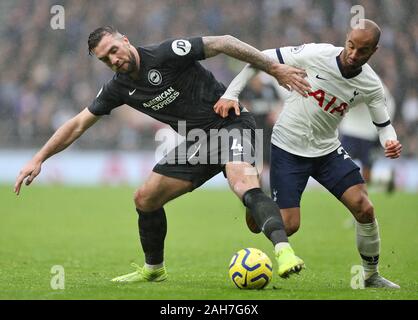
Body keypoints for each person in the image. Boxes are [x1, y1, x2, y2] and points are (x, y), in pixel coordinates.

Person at [14, 26, 311, 282]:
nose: (114, 59)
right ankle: (154, 269)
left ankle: (284, 253)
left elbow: (224, 41)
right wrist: (39, 158)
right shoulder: (119, 88)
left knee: (243, 185)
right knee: (145, 198)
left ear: (126, 41)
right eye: (106, 59)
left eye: (115, 50)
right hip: (197, 143)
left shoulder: (167, 53)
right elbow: (78, 124)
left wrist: (274, 67)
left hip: (232, 123)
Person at [213, 19, 402, 288]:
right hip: (288, 148)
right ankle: (257, 204)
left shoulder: (371, 84)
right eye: (351, 45)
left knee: (364, 207)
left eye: (363, 50)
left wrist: (390, 142)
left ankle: (371, 275)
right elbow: (262, 58)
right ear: (346, 39)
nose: (353, 54)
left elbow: (383, 126)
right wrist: (231, 93)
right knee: (288, 225)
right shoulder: (316, 54)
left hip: (327, 150)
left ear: (374, 51)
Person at [339, 83, 396, 191]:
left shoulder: (373, 82)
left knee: (346, 167)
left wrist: (383, 129)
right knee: (350, 167)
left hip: (356, 132)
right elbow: (391, 104)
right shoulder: (376, 83)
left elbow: (389, 103)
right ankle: (386, 177)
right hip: (359, 132)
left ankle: (385, 178)